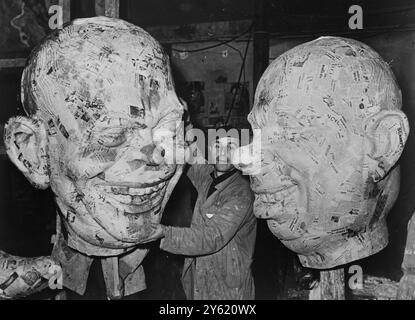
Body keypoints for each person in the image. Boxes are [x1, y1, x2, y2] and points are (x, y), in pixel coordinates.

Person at [153, 135, 257, 300]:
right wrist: (183, 130)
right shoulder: (207, 176)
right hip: (199, 279)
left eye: (230, 147)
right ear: (210, 151)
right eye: (217, 146)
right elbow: (191, 152)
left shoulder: (242, 193)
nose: (222, 153)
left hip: (228, 290)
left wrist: (160, 235)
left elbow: (211, 237)